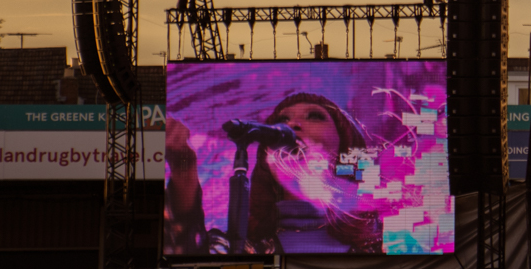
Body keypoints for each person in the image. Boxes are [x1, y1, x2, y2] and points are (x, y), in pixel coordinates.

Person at [164, 91, 394, 256]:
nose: (291, 124)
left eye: (314, 116)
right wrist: (184, 169)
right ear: (267, 161)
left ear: (345, 146)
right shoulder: (241, 249)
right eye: (282, 120)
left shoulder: (389, 241)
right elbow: (186, 251)